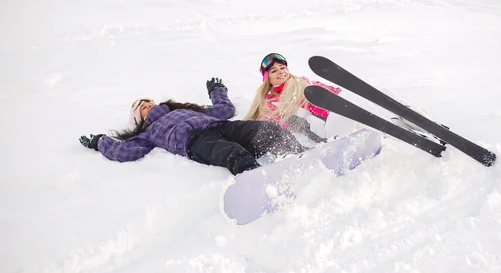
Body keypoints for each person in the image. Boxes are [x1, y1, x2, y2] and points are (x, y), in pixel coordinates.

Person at [79, 77, 306, 175]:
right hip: (195, 142)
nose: (148, 106)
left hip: (219, 126)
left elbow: (223, 110)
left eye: (148, 102)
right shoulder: (148, 133)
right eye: (142, 108)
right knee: (232, 153)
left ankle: (301, 155)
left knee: (264, 131)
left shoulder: (183, 109)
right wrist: (100, 142)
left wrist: (217, 91)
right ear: (139, 121)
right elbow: (125, 151)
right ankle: (254, 178)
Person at [245, 53, 357, 143]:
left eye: (282, 67)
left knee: (351, 98)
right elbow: (280, 129)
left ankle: (366, 116)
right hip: (326, 131)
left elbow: (335, 92)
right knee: (349, 107)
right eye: (274, 71)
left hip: (339, 115)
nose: (281, 72)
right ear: (267, 79)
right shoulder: (271, 103)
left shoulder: (303, 82)